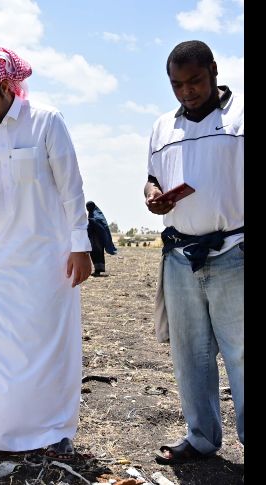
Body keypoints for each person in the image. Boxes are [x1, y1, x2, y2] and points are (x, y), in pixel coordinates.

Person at [0, 43, 91, 457]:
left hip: (49, 258)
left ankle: (50, 429)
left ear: (6, 84)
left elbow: (72, 188)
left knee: (49, 344)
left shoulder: (46, 120)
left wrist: (79, 245)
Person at [145, 40, 243, 465]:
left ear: (214, 71)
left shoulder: (239, 117)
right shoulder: (162, 126)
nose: (187, 91)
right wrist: (152, 195)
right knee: (191, 355)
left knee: (241, 353)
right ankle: (201, 438)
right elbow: (151, 176)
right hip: (180, 257)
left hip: (234, 251)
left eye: (195, 81)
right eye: (177, 84)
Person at [86, 201, 117, 277]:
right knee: (93, 254)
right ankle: (97, 270)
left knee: (99, 254)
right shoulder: (91, 214)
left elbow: (100, 224)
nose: (87, 209)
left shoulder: (97, 215)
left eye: (89, 207)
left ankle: (98, 271)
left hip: (98, 239)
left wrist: (91, 221)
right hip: (93, 239)